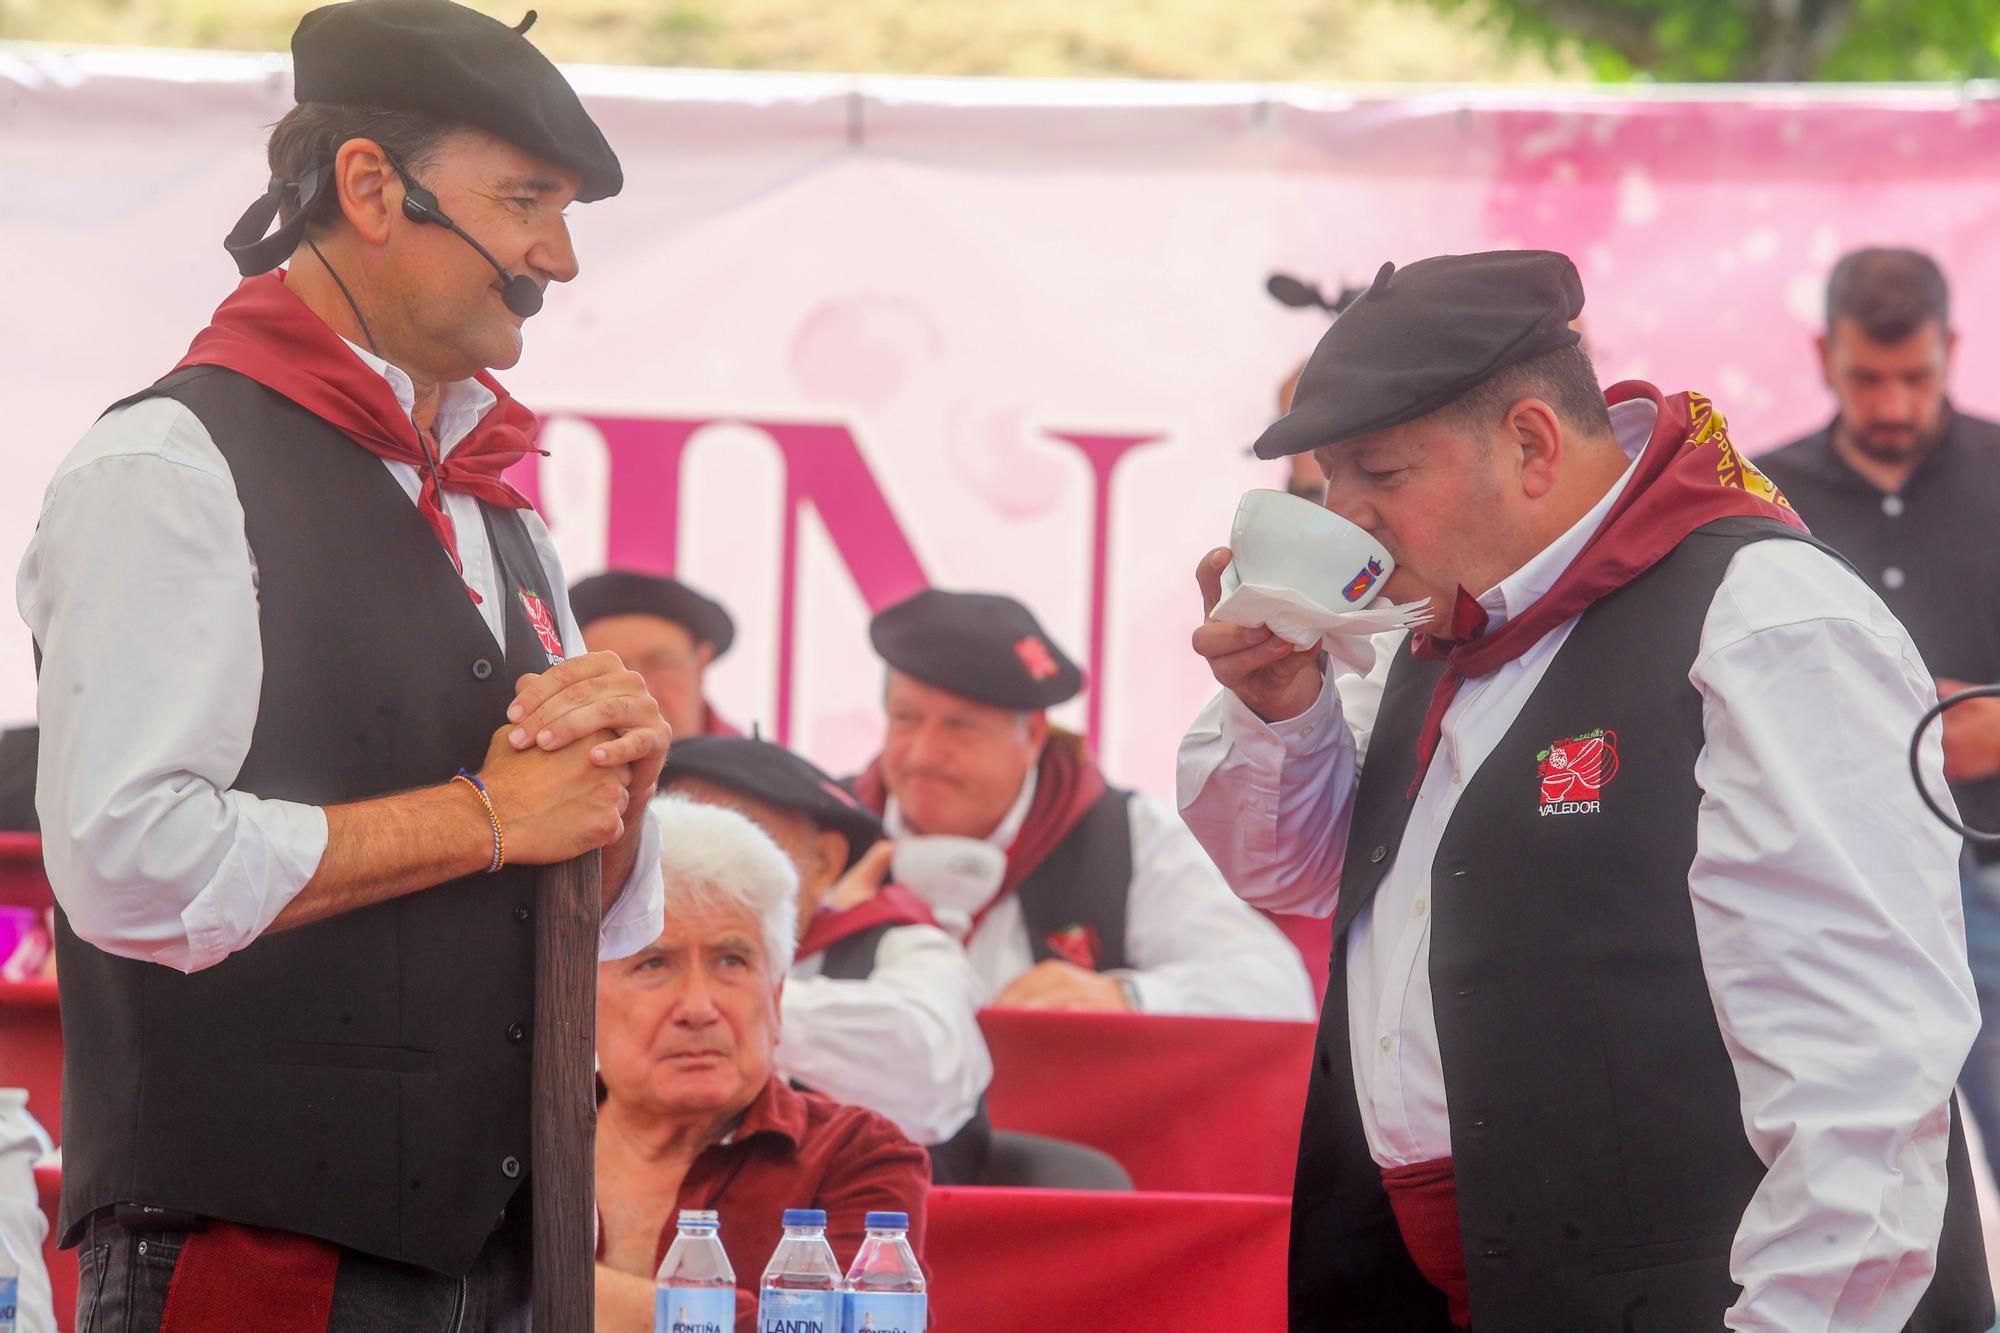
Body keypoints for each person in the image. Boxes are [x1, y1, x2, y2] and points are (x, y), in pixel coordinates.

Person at [1177, 250, 1990, 1330]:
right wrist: (1280, 709)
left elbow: (1862, 1078)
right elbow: (1281, 866)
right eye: (1330, 477)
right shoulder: (1437, 617)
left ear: (1528, 442)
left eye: (1377, 472)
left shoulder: (1768, 624)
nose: (1345, 514)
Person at [16, 3, 672, 1325]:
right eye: (528, 201)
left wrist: (619, 786)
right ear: (372, 186)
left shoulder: (502, 499)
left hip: (500, 1253)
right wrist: (488, 816)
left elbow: (580, 903)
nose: (558, 256)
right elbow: (128, 863)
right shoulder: (168, 467)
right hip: (261, 1245)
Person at [1754, 247, 2000, 1185]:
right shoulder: (1762, 502)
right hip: (1830, 902)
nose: (1893, 406)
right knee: (1848, 1183)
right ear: (1823, 355)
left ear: (1954, 349)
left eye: (1916, 377)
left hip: (1989, 875)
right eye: (1867, 378)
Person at [852, 588, 1315, 1018]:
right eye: (906, 719)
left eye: (960, 727)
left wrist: (1124, 997)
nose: (923, 755)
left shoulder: (1126, 837)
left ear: (1032, 735)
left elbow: (1276, 990)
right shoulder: (824, 829)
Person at [594, 797, 930, 1332]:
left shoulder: (857, 1155)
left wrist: (545, 1292)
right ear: (583, 1002)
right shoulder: (515, 1146)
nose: (699, 1009)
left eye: (732, 961)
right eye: (654, 963)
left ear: (775, 999)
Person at [662, 734, 995, 1184]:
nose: (690, 868)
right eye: (666, 837)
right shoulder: (609, 957)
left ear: (822, 863)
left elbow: (927, 1068)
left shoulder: (909, 947)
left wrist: (717, 1004)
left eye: (734, 840)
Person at [572, 569, 743, 739]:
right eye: (607, 671)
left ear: (700, 665)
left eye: (659, 664)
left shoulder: (761, 764)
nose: (638, 690)